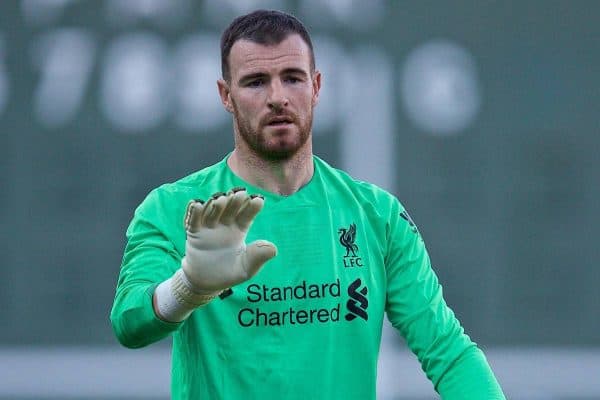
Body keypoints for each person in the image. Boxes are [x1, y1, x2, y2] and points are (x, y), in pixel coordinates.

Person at [110, 9, 505, 400]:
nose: (277, 97)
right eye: (255, 82)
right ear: (225, 96)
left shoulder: (377, 216)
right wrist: (189, 287)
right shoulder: (175, 209)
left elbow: (448, 352)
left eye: (292, 78)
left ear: (316, 86)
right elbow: (129, 322)